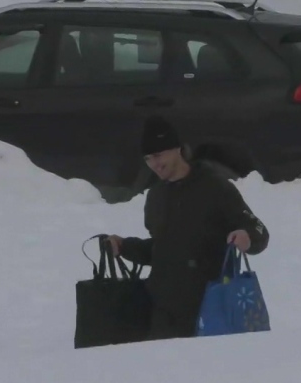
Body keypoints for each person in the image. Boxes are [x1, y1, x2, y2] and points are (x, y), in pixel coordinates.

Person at [107, 115, 269, 340]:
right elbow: (162, 250)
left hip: (209, 309)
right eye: (148, 158)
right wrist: (124, 247)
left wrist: (246, 236)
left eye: (158, 155)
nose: (155, 164)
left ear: (177, 149)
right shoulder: (156, 195)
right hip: (163, 314)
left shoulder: (214, 186)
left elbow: (258, 230)